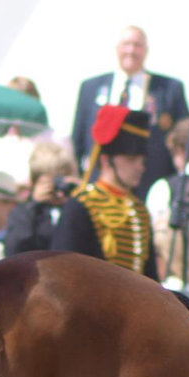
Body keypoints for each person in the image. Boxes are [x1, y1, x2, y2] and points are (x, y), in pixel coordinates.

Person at [69, 25, 189, 197]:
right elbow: (78, 138)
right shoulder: (91, 87)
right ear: (117, 48)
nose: (131, 51)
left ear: (146, 51)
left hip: (149, 185)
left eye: (137, 45)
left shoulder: (169, 89)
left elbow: (182, 136)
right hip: (100, 185)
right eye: (126, 44)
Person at [51, 105, 158, 279]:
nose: (140, 167)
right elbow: (64, 271)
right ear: (106, 160)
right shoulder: (81, 205)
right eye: (131, 159)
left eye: (142, 160)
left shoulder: (140, 210)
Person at [3, 142, 74, 256]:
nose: (56, 190)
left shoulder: (76, 207)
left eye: (60, 181)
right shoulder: (23, 212)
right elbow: (14, 248)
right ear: (34, 183)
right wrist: (34, 206)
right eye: (50, 183)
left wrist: (72, 202)